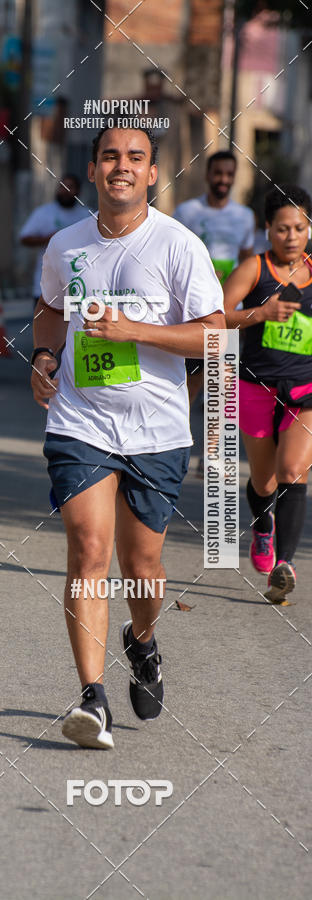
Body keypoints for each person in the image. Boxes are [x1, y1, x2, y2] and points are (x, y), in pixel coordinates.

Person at [30, 126, 224, 749]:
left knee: (143, 570)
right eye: (110, 156)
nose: (121, 166)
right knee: (89, 548)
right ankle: (93, 699)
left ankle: (141, 641)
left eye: (134, 158)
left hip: (158, 430)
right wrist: (42, 354)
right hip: (79, 421)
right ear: (92, 170)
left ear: (151, 174)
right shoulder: (65, 244)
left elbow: (215, 335)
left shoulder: (178, 245)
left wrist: (137, 331)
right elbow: (48, 309)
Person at [223, 184, 312, 605]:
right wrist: (262, 312)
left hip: (304, 391)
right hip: (256, 386)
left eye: (299, 227)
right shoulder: (253, 269)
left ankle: (286, 565)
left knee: (293, 470)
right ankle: (263, 527)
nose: (291, 236)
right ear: (267, 230)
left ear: (309, 229)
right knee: (264, 480)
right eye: (282, 229)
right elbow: (215, 316)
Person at [173, 151, 255, 473]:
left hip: (226, 315)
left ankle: (210, 455)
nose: (223, 179)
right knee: (188, 387)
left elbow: (248, 261)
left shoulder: (244, 216)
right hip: (191, 314)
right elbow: (173, 255)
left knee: (222, 386)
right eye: (217, 173)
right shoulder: (187, 211)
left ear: (233, 177)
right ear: (208, 175)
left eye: (228, 174)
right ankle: (173, 448)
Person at [19, 174, 91, 305]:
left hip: (79, 288)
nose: (65, 191)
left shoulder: (87, 215)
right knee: (44, 325)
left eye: (70, 187)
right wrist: (48, 239)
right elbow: (24, 238)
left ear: (78, 191)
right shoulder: (44, 213)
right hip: (45, 287)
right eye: (62, 187)